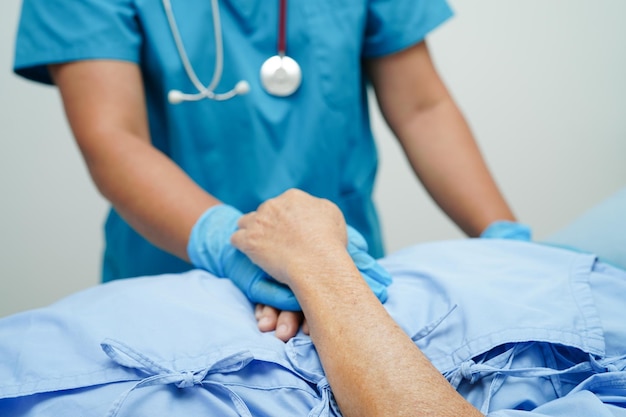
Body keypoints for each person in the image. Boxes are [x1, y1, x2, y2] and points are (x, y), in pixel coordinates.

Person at [12, 0, 526, 316]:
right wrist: (233, 246)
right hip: (173, 277)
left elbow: (422, 108)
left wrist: (503, 238)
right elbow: (113, 138)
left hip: (343, 273)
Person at [0, 188, 624, 416]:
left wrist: (317, 263)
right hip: (95, 330)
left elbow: (423, 102)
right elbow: (110, 130)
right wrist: (509, 246)